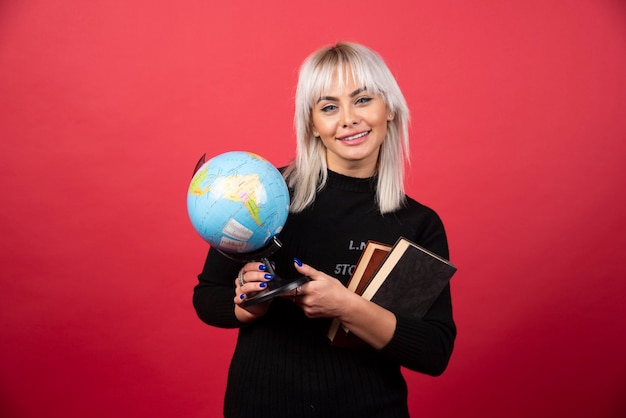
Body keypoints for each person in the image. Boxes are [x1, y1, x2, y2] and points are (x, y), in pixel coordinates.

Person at [193, 42, 456, 418]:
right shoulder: (264, 193)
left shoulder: (418, 223)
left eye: (363, 100)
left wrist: (347, 307)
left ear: (390, 109)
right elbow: (207, 297)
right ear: (312, 125)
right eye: (329, 107)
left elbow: (434, 351)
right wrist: (248, 306)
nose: (348, 119)